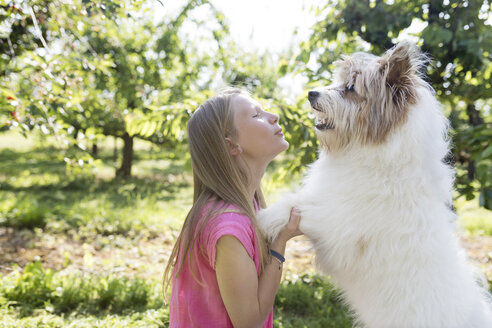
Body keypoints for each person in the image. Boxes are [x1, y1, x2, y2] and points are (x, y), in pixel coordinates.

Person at [163, 88, 302, 327]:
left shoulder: (247, 204)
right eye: (257, 115)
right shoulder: (228, 226)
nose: (273, 116)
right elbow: (250, 322)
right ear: (231, 146)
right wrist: (279, 243)